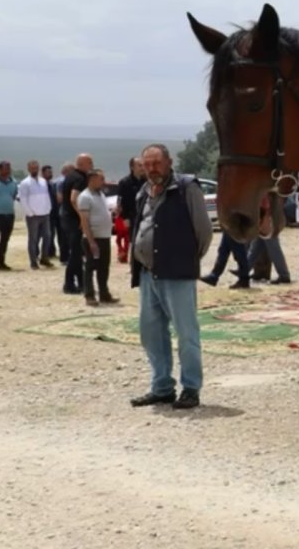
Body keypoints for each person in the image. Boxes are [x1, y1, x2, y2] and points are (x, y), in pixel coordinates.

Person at [129, 144, 213, 410]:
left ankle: (191, 388)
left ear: (168, 162)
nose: (152, 169)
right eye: (147, 164)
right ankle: (162, 387)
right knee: (151, 333)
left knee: (186, 333)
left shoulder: (187, 188)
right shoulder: (143, 191)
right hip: (147, 274)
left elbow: (204, 232)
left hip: (177, 274)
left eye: (156, 163)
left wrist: (185, 260)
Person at [77, 169, 118, 306]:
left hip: (104, 237)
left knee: (104, 267)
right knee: (90, 267)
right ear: (92, 179)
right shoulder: (85, 197)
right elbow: (84, 221)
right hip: (93, 239)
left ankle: (104, 293)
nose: (103, 181)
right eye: (101, 178)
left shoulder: (101, 194)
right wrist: (91, 241)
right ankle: (89, 295)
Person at [59, 155, 93, 294]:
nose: (92, 164)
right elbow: (74, 198)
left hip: (68, 217)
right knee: (76, 252)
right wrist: (81, 217)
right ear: (82, 163)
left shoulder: (71, 176)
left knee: (78, 252)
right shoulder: (79, 178)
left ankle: (81, 282)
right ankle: (68, 283)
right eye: (89, 162)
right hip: (74, 219)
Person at [18, 160, 54, 269]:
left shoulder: (43, 181)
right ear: (29, 169)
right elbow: (23, 199)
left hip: (45, 214)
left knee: (47, 237)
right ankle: (33, 261)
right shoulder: (25, 183)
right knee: (33, 239)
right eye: (32, 168)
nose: (34, 170)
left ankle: (44, 258)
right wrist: (30, 213)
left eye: (36, 168)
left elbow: (46, 196)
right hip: (33, 216)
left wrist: (49, 208)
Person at [116, 157, 146, 263]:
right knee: (133, 241)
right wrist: (124, 218)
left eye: (143, 165)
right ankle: (134, 264)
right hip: (131, 216)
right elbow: (120, 202)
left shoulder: (147, 181)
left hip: (145, 215)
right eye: (139, 165)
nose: (142, 168)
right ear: (132, 167)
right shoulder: (124, 182)